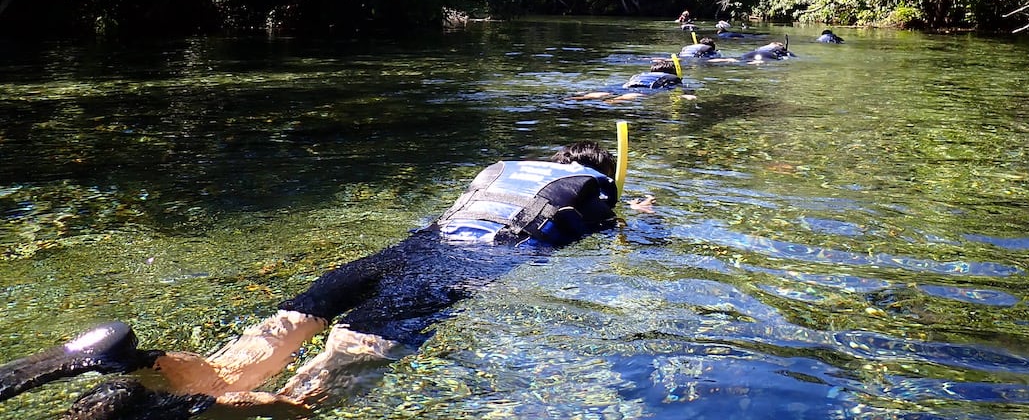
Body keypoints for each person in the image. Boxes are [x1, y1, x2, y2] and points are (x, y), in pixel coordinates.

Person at [41, 141, 653, 418]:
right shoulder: (593, 191)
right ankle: (204, 416)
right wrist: (633, 215)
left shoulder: (504, 169)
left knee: (268, 340)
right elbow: (597, 233)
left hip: (400, 251)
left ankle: (145, 373)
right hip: (464, 266)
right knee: (308, 396)